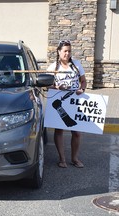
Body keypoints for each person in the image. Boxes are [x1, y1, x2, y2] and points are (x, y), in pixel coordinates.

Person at [47, 40, 87, 168]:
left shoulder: (76, 64)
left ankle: (74, 158)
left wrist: (82, 89)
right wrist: (56, 86)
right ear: (59, 52)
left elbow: (84, 80)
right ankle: (62, 159)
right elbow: (46, 83)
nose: (67, 53)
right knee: (59, 130)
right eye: (65, 51)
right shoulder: (53, 67)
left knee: (77, 132)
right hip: (59, 100)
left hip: (74, 101)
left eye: (69, 51)